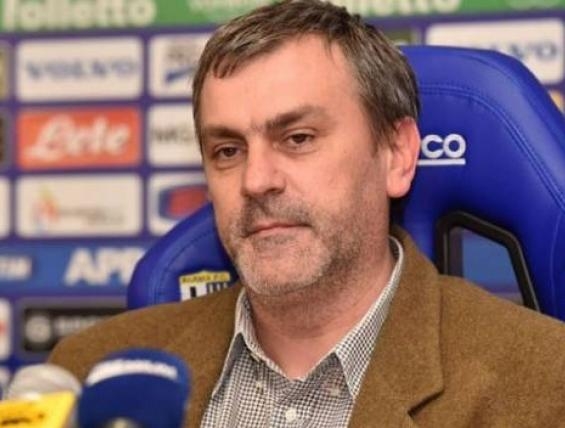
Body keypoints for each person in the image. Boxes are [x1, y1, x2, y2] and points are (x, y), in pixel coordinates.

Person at [50, 1, 565, 426]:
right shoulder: (86, 375)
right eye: (228, 150)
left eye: (297, 138)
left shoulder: (543, 382)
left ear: (396, 154)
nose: (256, 180)